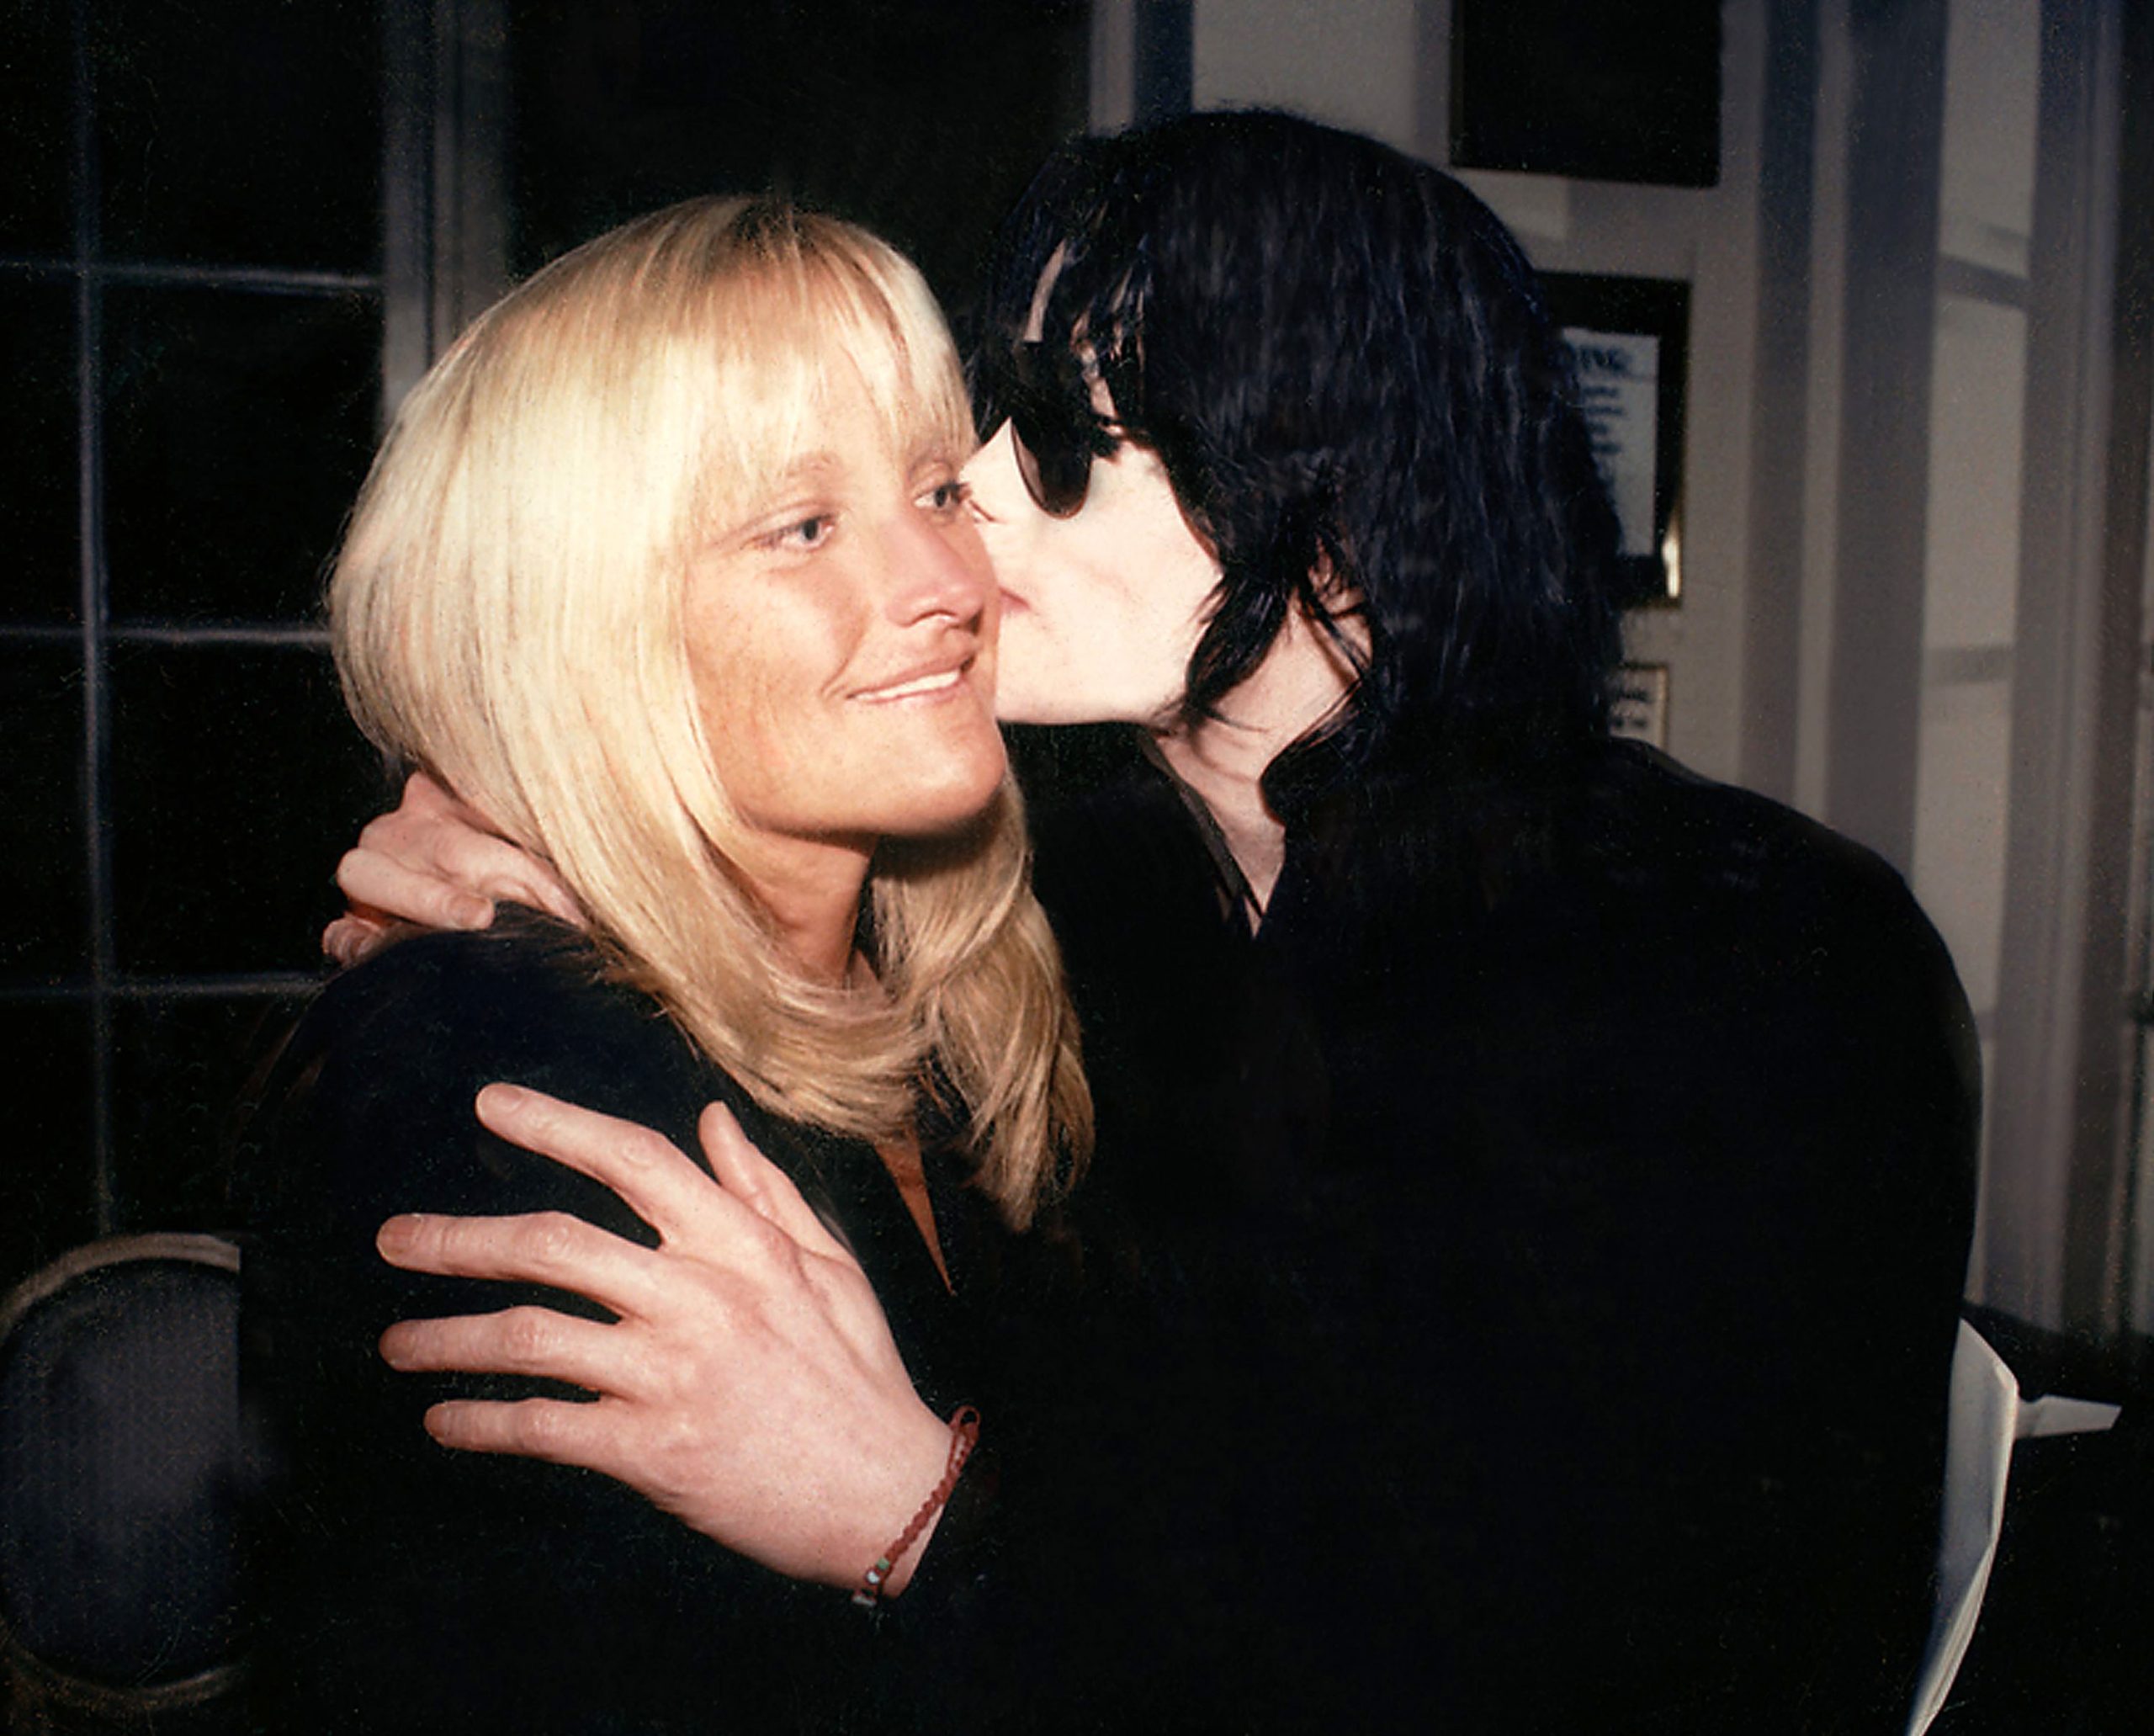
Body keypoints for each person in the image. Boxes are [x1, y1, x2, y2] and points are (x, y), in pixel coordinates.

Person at [327, 113, 1978, 1729]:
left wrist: (919, 1520)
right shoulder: (1061, 904)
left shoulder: (1745, 955)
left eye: (1052, 431)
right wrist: (577, 861)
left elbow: (1578, 1657)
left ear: (1330, 489)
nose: (963, 497)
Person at [237, 194, 1090, 1733]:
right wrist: (934, 1543)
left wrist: (926, 1516)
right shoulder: (502, 1072)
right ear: (586, 628)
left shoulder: (966, 998)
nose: (949, 588)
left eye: (939, 490)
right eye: (804, 527)